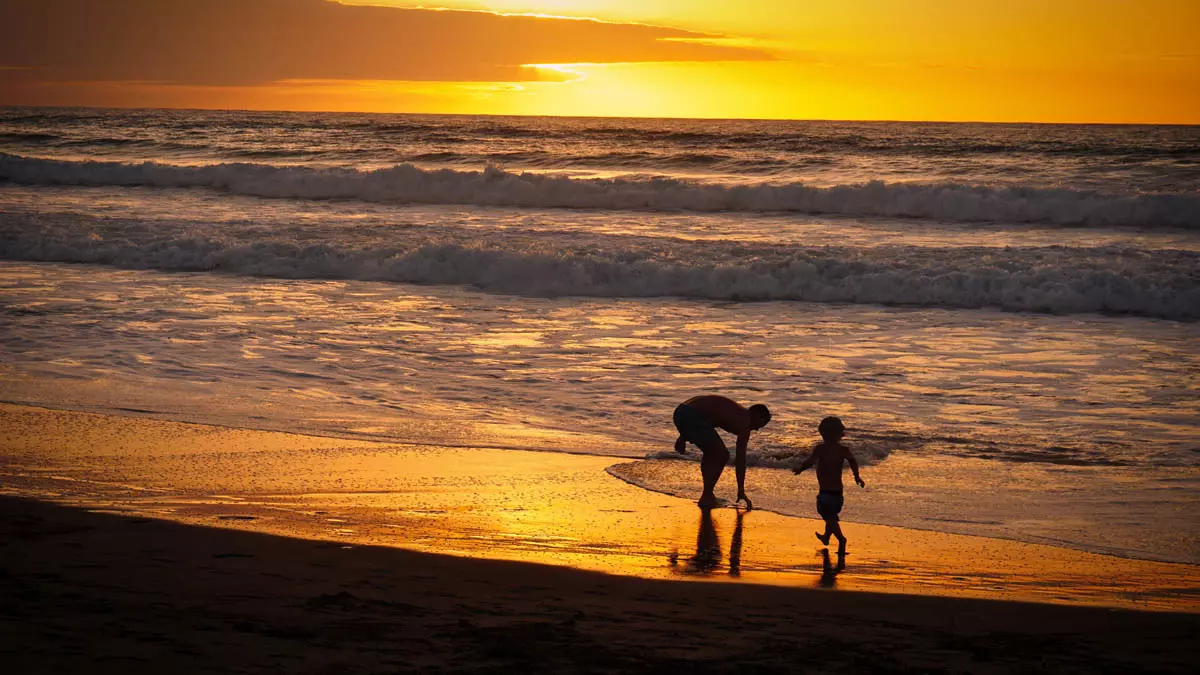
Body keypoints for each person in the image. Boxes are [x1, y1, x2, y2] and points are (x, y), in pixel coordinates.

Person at [672, 395, 771, 509]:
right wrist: (741, 490)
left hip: (681, 411)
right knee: (722, 455)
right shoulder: (745, 422)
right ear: (758, 417)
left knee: (711, 452)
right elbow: (740, 460)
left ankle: (707, 494)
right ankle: (707, 495)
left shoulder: (737, 412)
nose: (757, 429)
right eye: (761, 425)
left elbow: (708, 410)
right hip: (693, 416)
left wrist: (683, 436)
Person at [793, 416, 864, 554]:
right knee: (831, 515)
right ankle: (826, 537)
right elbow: (853, 461)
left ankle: (841, 539)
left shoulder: (820, 448)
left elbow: (810, 462)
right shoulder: (843, 450)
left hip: (825, 492)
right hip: (838, 493)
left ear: (822, 432)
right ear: (840, 433)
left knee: (828, 516)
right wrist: (857, 476)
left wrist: (800, 469)